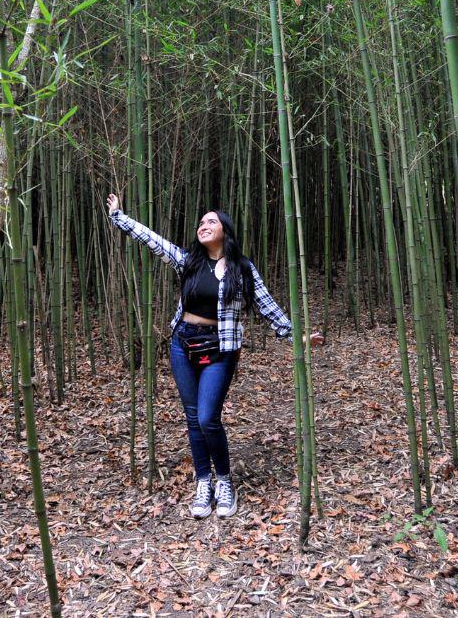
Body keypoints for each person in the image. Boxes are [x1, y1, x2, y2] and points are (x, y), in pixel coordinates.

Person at [105, 193, 322, 519]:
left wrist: (296, 336)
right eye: (201, 222)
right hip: (182, 344)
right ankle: (203, 481)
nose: (203, 226)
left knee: (208, 417)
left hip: (220, 348)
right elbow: (152, 240)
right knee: (193, 419)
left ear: (225, 230)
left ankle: (224, 480)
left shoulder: (242, 268)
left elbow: (266, 305)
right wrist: (119, 216)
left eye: (211, 221)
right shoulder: (187, 260)